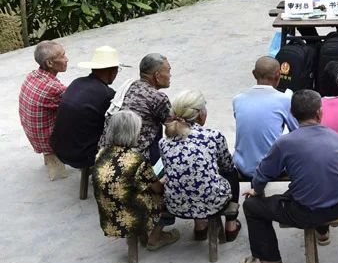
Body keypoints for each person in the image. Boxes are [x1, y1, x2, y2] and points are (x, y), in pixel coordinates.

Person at [240, 90, 338, 263]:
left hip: (306, 212)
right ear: (319, 113)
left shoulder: (285, 143)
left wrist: (256, 190)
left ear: (292, 114)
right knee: (311, 185)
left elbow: (263, 172)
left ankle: (269, 259)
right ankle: (323, 232)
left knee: (251, 206)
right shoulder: (334, 135)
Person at [159, 90, 241, 241]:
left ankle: (200, 227)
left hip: (176, 205)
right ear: (199, 114)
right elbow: (227, 166)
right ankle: (231, 224)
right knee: (231, 172)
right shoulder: (213, 136)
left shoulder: (164, 142)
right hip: (212, 204)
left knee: (190, 176)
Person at [93, 110, 179, 251]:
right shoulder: (137, 160)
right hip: (134, 218)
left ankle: (144, 236)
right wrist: (166, 178)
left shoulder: (101, 153)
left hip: (109, 218)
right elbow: (158, 188)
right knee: (169, 195)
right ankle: (156, 237)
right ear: (133, 133)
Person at [50, 45, 120, 170]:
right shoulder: (108, 94)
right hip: (82, 157)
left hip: (57, 148)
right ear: (112, 71)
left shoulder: (77, 82)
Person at [98, 53, 172, 164]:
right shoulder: (158, 97)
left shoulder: (128, 87)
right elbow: (173, 127)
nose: (170, 75)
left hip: (105, 154)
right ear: (157, 76)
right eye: (168, 71)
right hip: (131, 161)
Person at [232, 56, 297, 180]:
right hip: (272, 169)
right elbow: (298, 132)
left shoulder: (238, 99)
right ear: (278, 75)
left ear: (254, 74)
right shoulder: (285, 99)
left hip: (243, 167)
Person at [19, 40, 69, 180]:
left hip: (33, 134)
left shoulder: (32, 75)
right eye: (62, 56)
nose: (66, 59)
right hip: (47, 139)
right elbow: (76, 100)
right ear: (50, 63)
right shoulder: (54, 88)